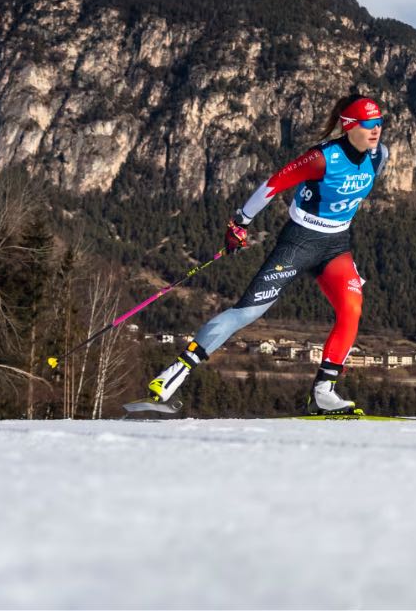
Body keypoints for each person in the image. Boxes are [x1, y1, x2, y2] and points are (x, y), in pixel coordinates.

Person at [146, 93, 388, 415]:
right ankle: (174, 373)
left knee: (351, 308)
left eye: (380, 124)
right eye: (369, 124)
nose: (376, 131)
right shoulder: (322, 158)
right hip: (299, 242)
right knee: (248, 312)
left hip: (336, 246)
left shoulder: (378, 156)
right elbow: (273, 185)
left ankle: (323, 391)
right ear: (349, 126)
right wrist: (240, 221)